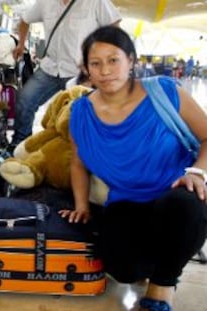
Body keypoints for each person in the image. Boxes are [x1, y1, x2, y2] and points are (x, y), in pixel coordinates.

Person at [62, 26, 207, 311]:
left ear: (131, 60)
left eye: (113, 60)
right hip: (125, 202)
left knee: (187, 208)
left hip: (175, 193)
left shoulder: (164, 92)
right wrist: (82, 205)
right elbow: (78, 162)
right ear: (87, 69)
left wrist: (197, 172)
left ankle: (161, 290)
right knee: (124, 269)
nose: (105, 70)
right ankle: (162, 258)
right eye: (96, 63)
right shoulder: (80, 112)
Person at [9, 0, 121, 150]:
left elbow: (114, 27)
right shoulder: (45, 3)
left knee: (81, 115)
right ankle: (20, 144)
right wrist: (21, 44)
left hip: (79, 71)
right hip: (50, 67)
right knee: (25, 100)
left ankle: (81, 153)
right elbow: (24, 20)